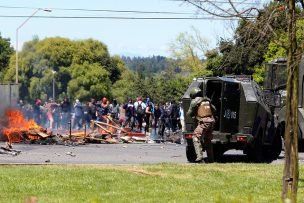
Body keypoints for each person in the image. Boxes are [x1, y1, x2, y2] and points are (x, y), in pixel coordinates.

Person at [187, 87, 216, 163]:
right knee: (207, 140)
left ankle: (200, 158)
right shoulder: (207, 100)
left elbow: (189, 113)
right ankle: (211, 159)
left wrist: (194, 114)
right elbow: (214, 109)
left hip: (204, 122)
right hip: (211, 121)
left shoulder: (195, 101)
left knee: (196, 137)